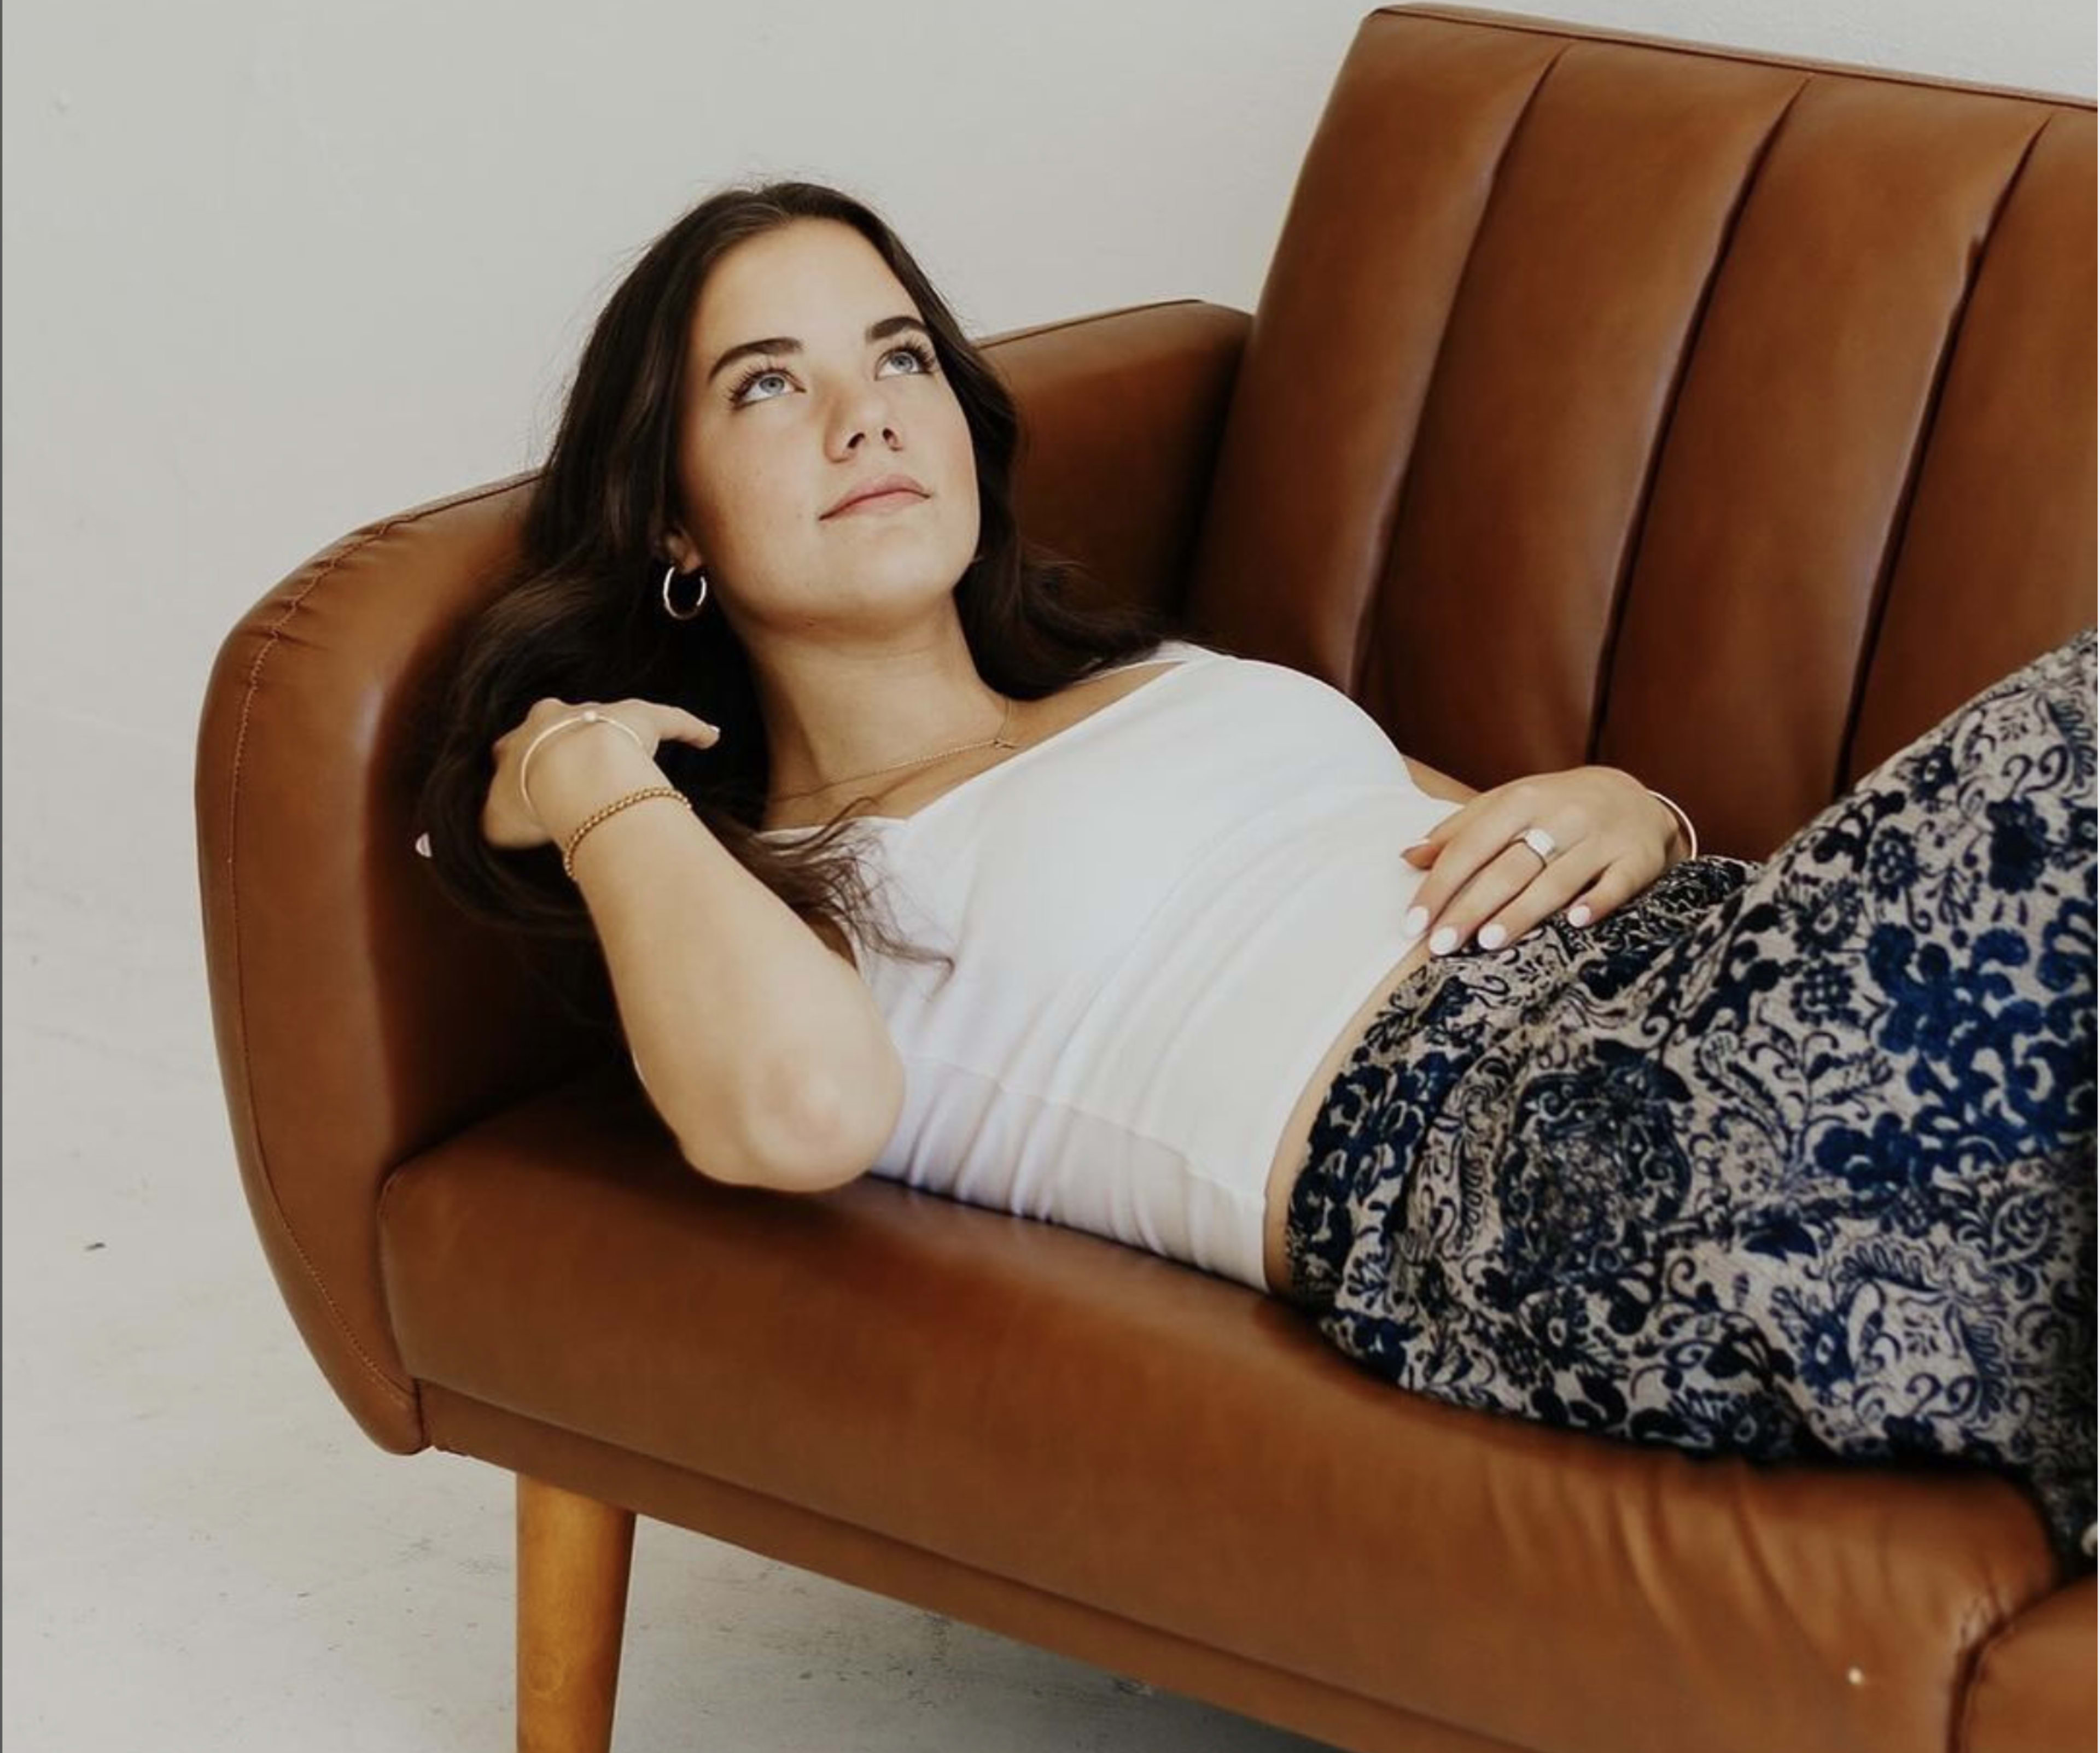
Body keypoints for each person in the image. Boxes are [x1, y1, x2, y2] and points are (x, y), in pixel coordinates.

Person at [417, 180, 2096, 1576]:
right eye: (767, 384)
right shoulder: (786, 895)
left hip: (1700, 974)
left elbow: (1464, 831)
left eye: (903, 354)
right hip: (1528, 1156)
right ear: (677, 523)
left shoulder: (1155, 677)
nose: (868, 413)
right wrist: (592, 783)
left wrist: (1632, 807)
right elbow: (784, 1111)